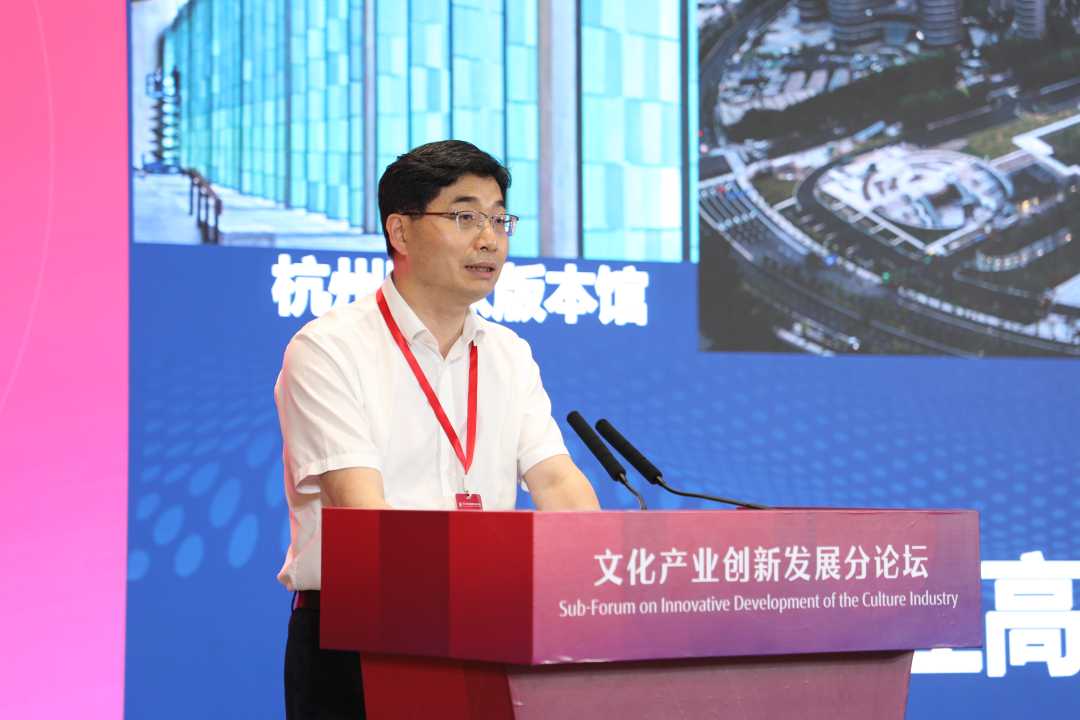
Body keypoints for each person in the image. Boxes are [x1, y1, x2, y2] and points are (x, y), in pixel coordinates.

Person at [274, 139, 601, 719]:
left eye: (499, 219)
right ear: (400, 232)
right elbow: (362, 511)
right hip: (360, 635)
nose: (489, 239)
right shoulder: (330, 348)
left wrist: (599, 578)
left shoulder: (508, 353)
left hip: (488, 625)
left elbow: (557, 481)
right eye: (465, 217)